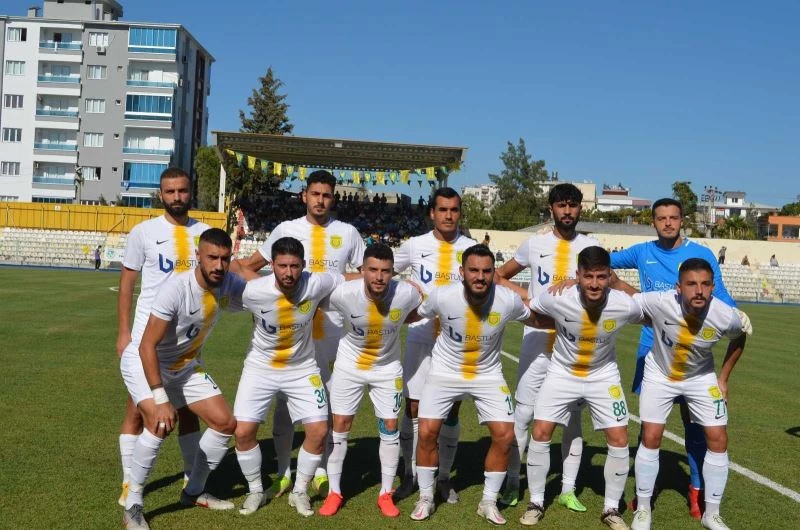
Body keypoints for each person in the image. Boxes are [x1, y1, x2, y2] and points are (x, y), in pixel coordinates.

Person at [235, 170, 365, 497]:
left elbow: (365, 276)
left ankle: (320, 471)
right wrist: (267, 300)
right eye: (315, 194)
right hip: (291, 334)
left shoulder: (348, 233)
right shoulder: (286, 229)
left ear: (333, 198)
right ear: (304, 195)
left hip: (334, 332)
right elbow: (249, 266)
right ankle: (283, 471)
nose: (320, 200)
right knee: (284, 408)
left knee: (327, 405)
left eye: (326, 195)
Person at [610, 198, 737, 519]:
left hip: (692, 354)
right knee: (650, 428)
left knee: (694, 427)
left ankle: (696, 491)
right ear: (653, 222)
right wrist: (619, 285)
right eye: (661, 218)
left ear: (683, 220)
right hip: (652, 350)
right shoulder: (642, 252)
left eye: (673, 217)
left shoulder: (702, 255)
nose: (667, 223)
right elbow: (601, 263)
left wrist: (732, 318)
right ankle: (646, 493)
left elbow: (721, 298)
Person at [120, 228, 246, 530]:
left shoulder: (228, 282)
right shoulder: (175, 289)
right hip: (145, 361)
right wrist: (160, 397)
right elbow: (146, 345)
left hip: (185, 365)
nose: (219, 265)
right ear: (197, 256)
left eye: (224, 259)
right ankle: (133, 504)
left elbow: (261, 291)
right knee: (160, 421)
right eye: (212, 257)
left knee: (225, 423)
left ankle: (194, 491)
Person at [408, 244, 541, 524]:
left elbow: (536, 318)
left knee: (505, 435)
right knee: (428, 431)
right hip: (444, 372)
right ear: (462, 272)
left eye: (486, 271)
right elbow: (416, 314)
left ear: (494, 273)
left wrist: (573, 320)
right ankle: (426, 497)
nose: (480, 277)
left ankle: (488, 501)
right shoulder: (442, 296)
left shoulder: (507, 299)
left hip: (488, 374)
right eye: (474, 270)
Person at [520, 246, 645, 529]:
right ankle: (536, 502)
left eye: (601, 277)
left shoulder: (623, 303)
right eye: (588, 276)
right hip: (562, 373)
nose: (595, 284)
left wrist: (622, 286)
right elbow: (529, 309)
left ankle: (611, 509)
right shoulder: (558, 296)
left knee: (619, 437)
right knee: (540, 432)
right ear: (577, 275)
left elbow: (653, 311)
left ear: (609, 276)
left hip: (603, 376)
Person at [496, 183, 600, 509]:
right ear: (551, 208)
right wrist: (527, 297)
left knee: (573, 420)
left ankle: (567, 489)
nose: (567, 211)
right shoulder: (535, 243)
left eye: (573, 205)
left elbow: (603, 282)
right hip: (537, 340)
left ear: (580, 208)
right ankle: (513, 483)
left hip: (575, 346)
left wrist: (578, 282)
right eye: (561, 205)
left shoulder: (591, 246)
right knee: (524, 413)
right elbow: (499, 276)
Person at [627, 258, 751, 530]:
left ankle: (712, 514)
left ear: (713, 287)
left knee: (718, 438)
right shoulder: (660, 301)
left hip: (700, 377)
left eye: (705, 284)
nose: (699, 290)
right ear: (678, 287)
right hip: (659, 375)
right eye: (691, 284)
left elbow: (739, 337)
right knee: (651, 436)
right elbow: (626, 299)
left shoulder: (725, 316)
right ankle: (643, 510)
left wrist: (723, 379)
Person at [116, 167, 209, 508]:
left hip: (186, 343)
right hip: (148, 340)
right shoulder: (144, 232)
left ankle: (192, 481)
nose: (176, 197)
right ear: (161, 194)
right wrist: (124, 332)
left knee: (188, 412)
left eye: (182, 191)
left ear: (190, 191)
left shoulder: (205, 233)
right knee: (138, 410)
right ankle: (130, 483)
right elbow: (127, 283)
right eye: (170, 192)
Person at [318, 243, 423, 517]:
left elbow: (420, 308)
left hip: (387, 369)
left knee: (390, 427)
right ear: (362, 270)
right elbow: (315, 299)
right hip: (349, 366)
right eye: (373, 270)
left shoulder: (407, 293)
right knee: (340, 425)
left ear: (393, 272)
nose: (379, 277)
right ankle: (334, 492)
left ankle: (385, 494)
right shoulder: (344, 293)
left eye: (385, 271)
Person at [393, 187, 477, 503]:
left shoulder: (470, 248)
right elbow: (380, 271)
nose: (448, 215)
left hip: (455, 343)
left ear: (460, 213)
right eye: (442, 209)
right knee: (413, 407)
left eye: (454, 210)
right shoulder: (415, 245)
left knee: (451, 409)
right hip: (420, 335)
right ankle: (410, 473)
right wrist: (403, 285)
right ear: (432, 213)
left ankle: (443, 477)